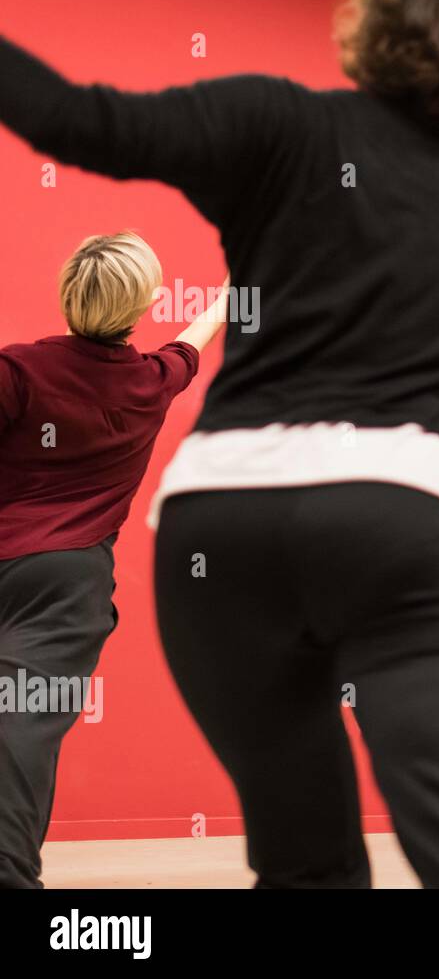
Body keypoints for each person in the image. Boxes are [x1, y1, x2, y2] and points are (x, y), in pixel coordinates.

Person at [0, 0, 439, 887]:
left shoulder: (273, 120)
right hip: (404, 519)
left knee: (304, 862)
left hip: (220, 529)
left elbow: (78, 119)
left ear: (372, 27)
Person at [0, 232, 225, 888]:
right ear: (148, 301)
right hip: (64, 583)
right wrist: (229, 296)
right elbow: (192, 344)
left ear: (68, 292)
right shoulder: (151, 382)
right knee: (22, 725)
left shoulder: (16, 370)